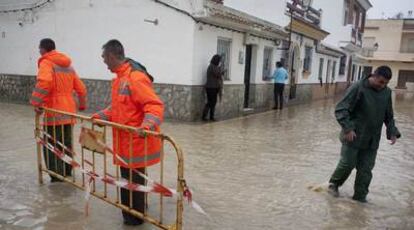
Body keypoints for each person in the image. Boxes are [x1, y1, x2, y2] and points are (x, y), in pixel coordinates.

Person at [92, 39, 164, 225]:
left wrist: (147, 126)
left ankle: (135, 220)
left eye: (104, 58)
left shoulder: (135, 77)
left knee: (133, 183)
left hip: (136, 142)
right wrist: (103, 116)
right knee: (129, 182)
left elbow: (154, 106)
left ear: (111, 55)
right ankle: (133, 213)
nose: (104, 62)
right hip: (125, 143)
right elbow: (119, 108)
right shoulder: (120, 80)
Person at [327, 66, 401, 203]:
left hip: (372, 140)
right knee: (347, 164)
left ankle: (360, 198)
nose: (382, 85)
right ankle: (333, 185)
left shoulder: (386, 93)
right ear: (373, 75)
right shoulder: (358, 87)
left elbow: (389, 116)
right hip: (353, 135)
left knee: (366, 170)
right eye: (380, 82)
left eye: (385, 83)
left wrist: (392, 132)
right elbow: (341, 109)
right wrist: (348, 129)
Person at [30, 38, 87, 182]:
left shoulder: (46, 62)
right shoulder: (69, 66)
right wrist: (82, 105)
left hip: (54, 111)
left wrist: (36, 102)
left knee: (51, 144)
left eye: (39, 48)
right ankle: (67, 172)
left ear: (43, 49)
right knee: (66, 142)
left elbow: (44, 82)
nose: (39, 51)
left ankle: (56, 176)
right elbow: (81, 88)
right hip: (69, 111)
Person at [202, 54, 224, 121]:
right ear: (216, 60)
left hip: (214, 87)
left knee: (213, 102)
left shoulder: (214, 66)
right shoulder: (212, 66)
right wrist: (221, 70)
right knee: (210, 102)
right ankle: (205, 116)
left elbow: (218, 74)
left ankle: (211, 116)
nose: (220, 62)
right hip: (211, 87)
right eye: (219, 60)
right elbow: (218, 74)